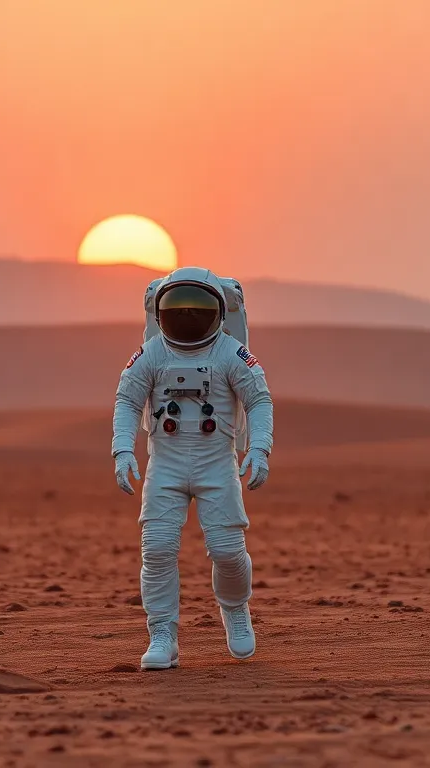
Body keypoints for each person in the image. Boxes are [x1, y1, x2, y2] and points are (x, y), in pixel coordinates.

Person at [111, 266, 274, 671]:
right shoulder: (151, 354)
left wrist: (259, 448)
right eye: (177, 307)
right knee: (158, 549)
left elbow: (259, 400)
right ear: (160, 312)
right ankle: (162, 634)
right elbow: (127, 401)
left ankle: (236, 611)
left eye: (198, 307)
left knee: (226, 551)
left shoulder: (231, 353)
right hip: (164, 463)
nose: (187, 315)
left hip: (216, 461)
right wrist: (122, 451)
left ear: (220, 311)